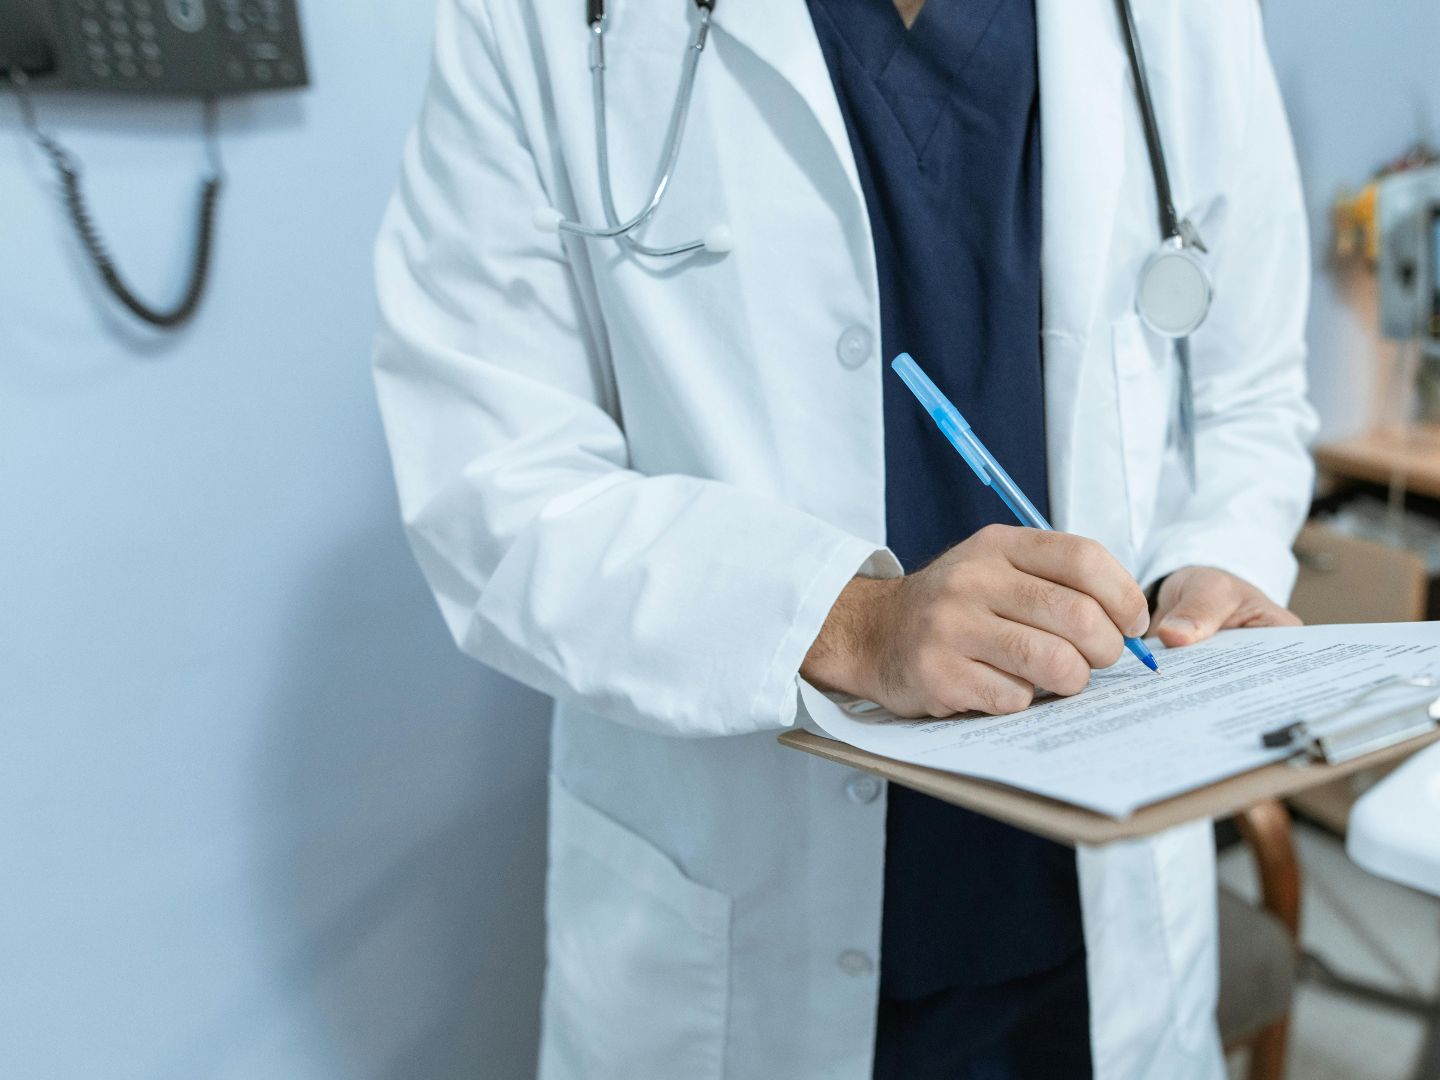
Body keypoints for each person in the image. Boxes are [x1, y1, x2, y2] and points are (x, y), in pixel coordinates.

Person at [371, 0, 1316, 1076]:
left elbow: (1251, 397)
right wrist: (851, 620)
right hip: (741, 933)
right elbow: (490, 485)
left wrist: (1213, 564)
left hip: (1092, 941)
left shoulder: (1184, 20)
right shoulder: (533, 21)